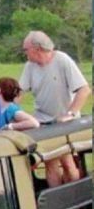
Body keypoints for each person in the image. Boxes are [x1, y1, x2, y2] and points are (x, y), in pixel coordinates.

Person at [20, 31, 90, 186]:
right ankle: (59, 205)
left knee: (67, 162)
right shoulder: (29, 66)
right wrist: (10, 109)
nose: (24, 53)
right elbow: (20, 91)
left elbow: (84, 90)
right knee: (51, 163)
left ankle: (75, 204)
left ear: (36, 49)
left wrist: (70, 113)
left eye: (26, 49)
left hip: (64, 123)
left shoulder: (62, 60)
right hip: (43, 121)